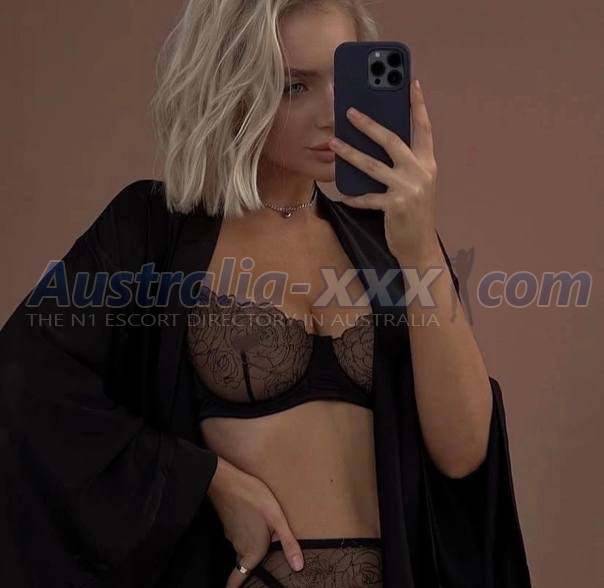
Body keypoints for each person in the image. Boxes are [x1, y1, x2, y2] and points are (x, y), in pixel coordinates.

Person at [0, 1, 532, 587]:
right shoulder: (150, 230)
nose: (332, 114)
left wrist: (422, 247)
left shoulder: (392, 242)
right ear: (231, 86)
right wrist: (205, 479)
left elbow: (462, 455)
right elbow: (25, 383)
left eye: (343, 77)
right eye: (294, 86)